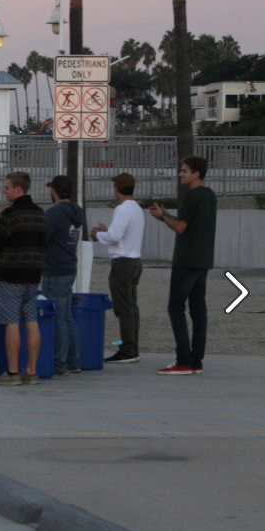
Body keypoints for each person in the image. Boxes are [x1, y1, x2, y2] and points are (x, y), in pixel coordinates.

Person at [150, 156, 217, 376]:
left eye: (184, 170)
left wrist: (161, 218)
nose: (181, 174)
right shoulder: (209, 195)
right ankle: (196, 360)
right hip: (202, 260)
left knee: (175, 308)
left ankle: (183, 360)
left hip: (186, 260)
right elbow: (187, 223)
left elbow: (180, 228)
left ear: (196, 173)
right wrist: (166, 214)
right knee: (198, 311)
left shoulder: (193, 195)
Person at [0, 172, 48, 387]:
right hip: (33, 274)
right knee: (31, 321)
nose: (4, 191)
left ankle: (12, 372)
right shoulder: (41, 214)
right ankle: (31, 370)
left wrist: (0, 217)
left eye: (7, 187)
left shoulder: (11, 215)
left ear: (17, 190)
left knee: (11, 322)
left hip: (12, 275)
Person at [92, 173, 145, 363]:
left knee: (123, 308)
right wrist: (107, 233)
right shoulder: (137, 209)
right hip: (134, 261)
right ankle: (132, 347)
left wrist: (98, 235)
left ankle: (127, 349)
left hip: (122, 262)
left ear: (117, 189)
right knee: (131, 307)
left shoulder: (122, 209)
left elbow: (114, 236)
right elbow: (119, 235)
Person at [41, 175, 85, 376]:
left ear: (54, 191)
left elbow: (43, 239)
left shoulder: (54, 213)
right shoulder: (76, 212)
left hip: (54, 269)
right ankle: (73, 361)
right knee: (67, 317)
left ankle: (59, 362)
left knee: (58, 318)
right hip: (69, 266)